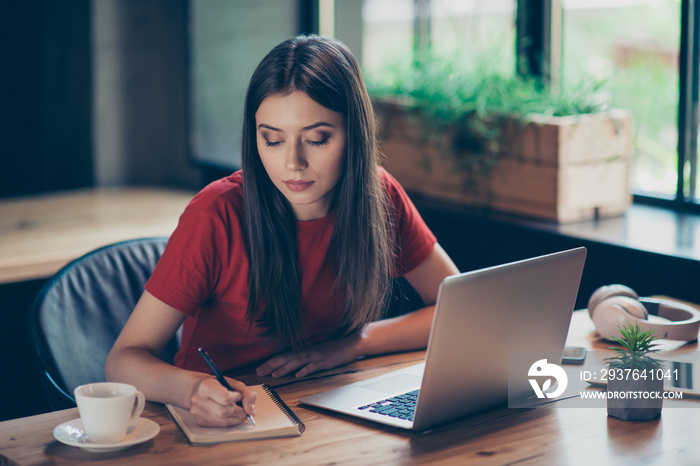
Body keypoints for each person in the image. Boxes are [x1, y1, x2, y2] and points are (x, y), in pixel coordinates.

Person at [105, 35, 459, 427]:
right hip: (229, 417)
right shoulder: (216, 214)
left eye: (316, 139)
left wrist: (351, 345)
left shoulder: (379, 196)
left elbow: (455, 308)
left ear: (354, 135)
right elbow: (123, 360)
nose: (293, 162)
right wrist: (191, 390)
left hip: (328, 399)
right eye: (272, 139)